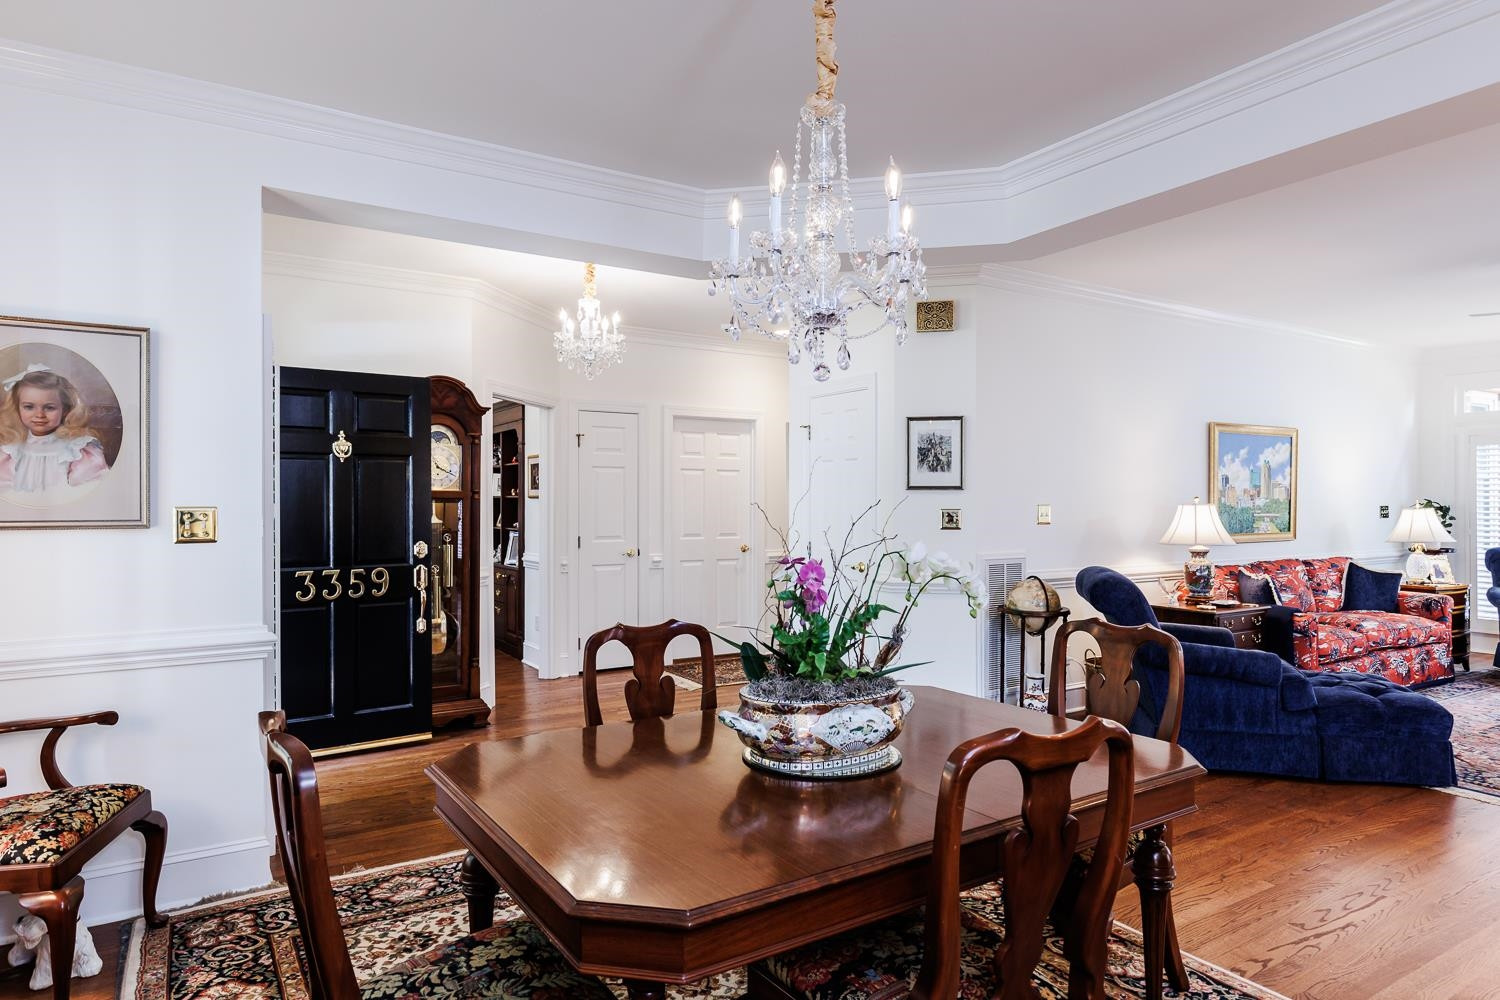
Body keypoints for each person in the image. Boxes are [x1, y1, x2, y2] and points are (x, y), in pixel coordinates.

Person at [0, 363, 109, 498]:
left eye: (49, 407)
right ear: (17, 408)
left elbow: (89, 491)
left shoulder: (76, 449)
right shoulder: (11, 451)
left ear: (65, 410)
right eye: (29, 407)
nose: (39, 415)